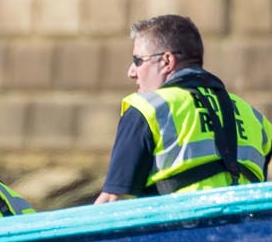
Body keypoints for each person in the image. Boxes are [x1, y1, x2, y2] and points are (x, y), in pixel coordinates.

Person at [96, 14, 271, 202]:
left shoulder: (147, 110)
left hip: (177, 229)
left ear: (166, 61)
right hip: (245, 229)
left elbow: (113, 200)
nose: (131, 72)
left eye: (138, 60)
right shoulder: (257, 120)